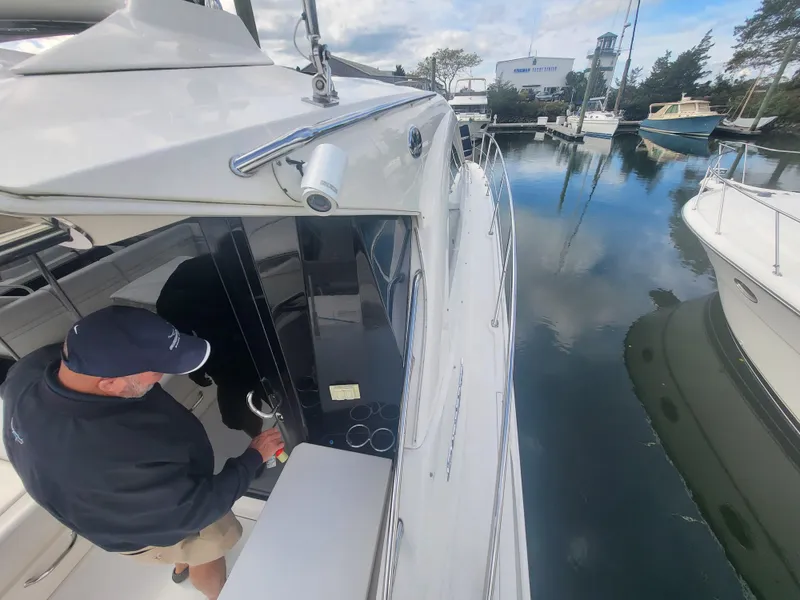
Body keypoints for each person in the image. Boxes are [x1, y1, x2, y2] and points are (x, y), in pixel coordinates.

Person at [1, 306, 284, 600]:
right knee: (210, 547)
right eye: (156, 369)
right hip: (147, 527)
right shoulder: (114, 456)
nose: (163, 375)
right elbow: (200, 506)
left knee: (185, 541)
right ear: (110, 383)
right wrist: (254, 457)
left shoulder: (31, 370)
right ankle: (217, 593)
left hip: (125, 503)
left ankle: (179, 564)